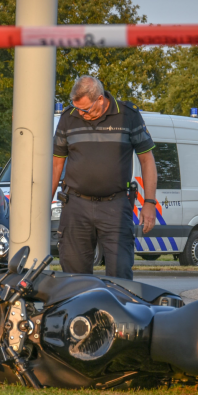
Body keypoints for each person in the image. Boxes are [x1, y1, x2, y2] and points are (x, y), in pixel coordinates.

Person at [51, 76, 158, 279]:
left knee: (120, 273)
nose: (80, 114)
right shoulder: (68, 117)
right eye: (77, 109)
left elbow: (147, 160)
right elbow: (57, 163)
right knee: (74, 278)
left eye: (85, 109)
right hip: (75, 206)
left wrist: (150, 202)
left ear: (100, 99)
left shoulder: (128, 115)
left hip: (115, 206)